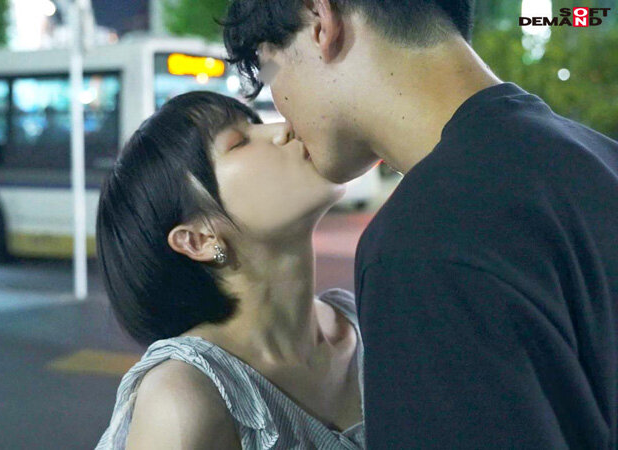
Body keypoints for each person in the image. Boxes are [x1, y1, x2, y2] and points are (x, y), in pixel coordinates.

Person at [223, 0, 618, 448]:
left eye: (270, 72)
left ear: (319, 20)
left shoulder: (424, 239)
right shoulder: (599, 158)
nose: (282, 116)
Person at [96, 92, 365, 449]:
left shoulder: (367, 322)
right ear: (199, 239)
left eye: (256, 123)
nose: (283, 129)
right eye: (238, 142)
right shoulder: (186, 398)